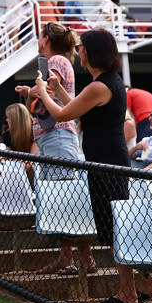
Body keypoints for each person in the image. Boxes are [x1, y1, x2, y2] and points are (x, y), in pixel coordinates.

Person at [35, 28, 152, 303]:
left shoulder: (100, 85)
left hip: (106, 163)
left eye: (81, 47)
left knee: (114, 228)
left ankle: (128, 292)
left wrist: (43, 91)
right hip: (109, 160)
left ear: (91, 51)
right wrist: (60, 90)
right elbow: (80, 108)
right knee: (117, 225)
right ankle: (147, 282)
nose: (78, 51)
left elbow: (63, 115)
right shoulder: (107, 83)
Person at [16, 21, 95, 275]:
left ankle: (76, 258)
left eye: (40, 36)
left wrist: (33, 92)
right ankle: (71, 257)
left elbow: (49, 90)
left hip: (58, 136)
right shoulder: (60, 61)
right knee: (62, 198)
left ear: (46, 39)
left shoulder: (57, 62)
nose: (38, 40)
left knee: (65, 198)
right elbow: (49, 92)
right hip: (56, 137)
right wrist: (31, 91)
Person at [2, 102, 39, 185]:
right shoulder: (8, 134)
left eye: (8, 117)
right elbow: (6, 157)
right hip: (15, 170)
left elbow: (32, 160)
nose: (6, 120)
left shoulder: (35, 131)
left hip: (33, 173)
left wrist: (14, 161)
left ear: (15, 118)